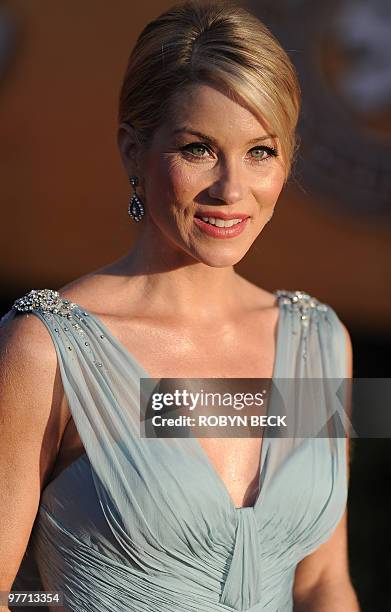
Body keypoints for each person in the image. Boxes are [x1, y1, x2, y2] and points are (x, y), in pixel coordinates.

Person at [0, 0, 360, 610]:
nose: (231, 190)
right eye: (198, 149)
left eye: (260, 152)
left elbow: (322, 581)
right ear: (132, 151)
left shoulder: (320, 342)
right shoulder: (46, 348)